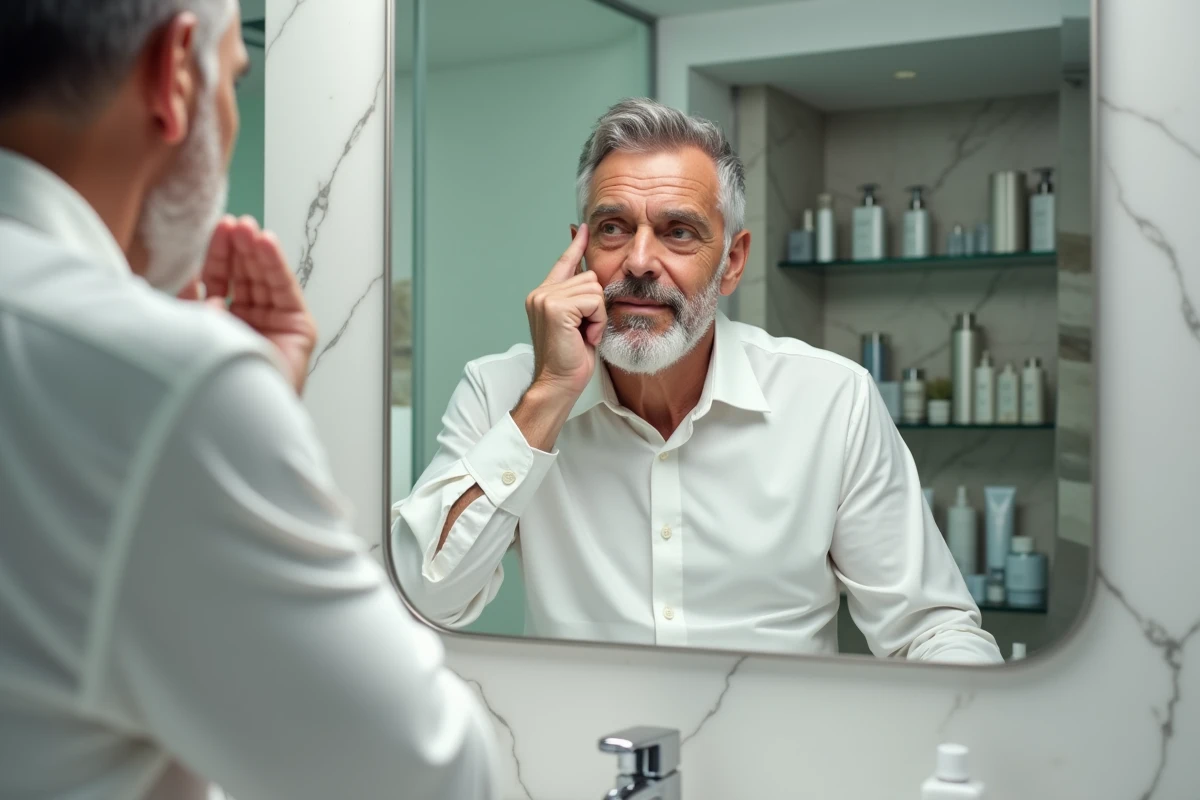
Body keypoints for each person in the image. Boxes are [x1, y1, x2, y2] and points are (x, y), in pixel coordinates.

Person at [0, 2, 499, 798]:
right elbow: (434, 779)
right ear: (174, 73)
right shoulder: (163, 389)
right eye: (235, 77)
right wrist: (223, 415)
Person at [393, 98, 1002, 665]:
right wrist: (549, 394)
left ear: (732, 261)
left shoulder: (831, 401)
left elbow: (930, 630)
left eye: (678, 231)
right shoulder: (503, 392)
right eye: (611, 228)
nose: (636, 262)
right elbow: (423, 599)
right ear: (578, 252)